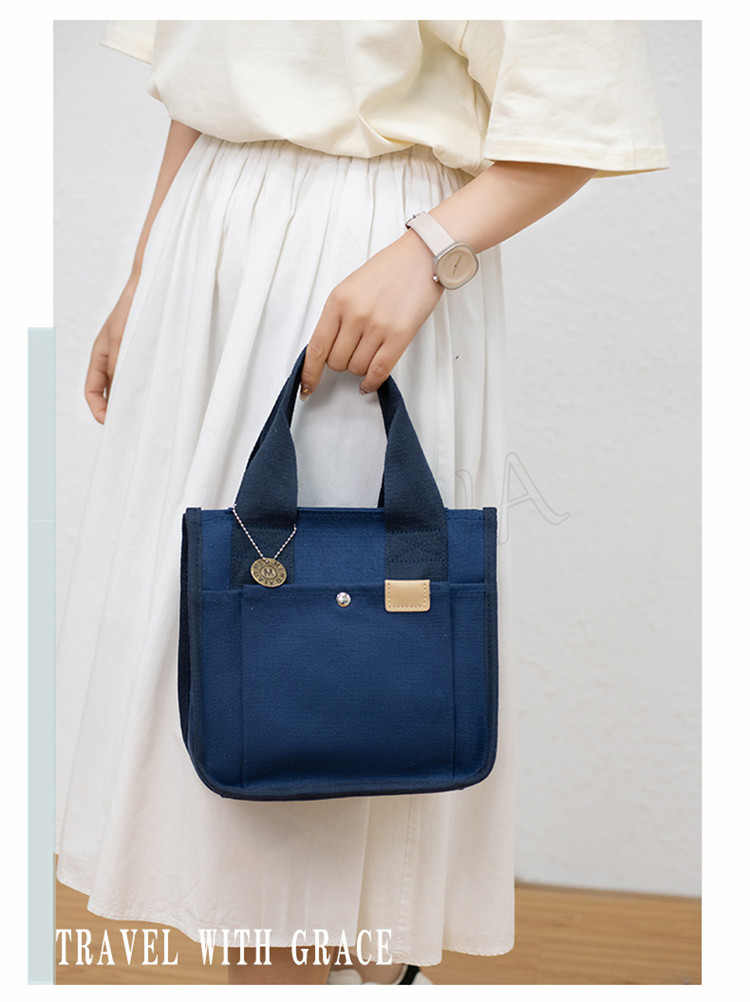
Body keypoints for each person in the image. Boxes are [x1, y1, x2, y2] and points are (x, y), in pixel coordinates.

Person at [55, 20, 669, 986]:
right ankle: (362, 975)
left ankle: (350, 970)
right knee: (211, 645)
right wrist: (144, 274)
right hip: (201, 248)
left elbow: (577, 114)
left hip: (365, 258)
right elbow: (203, 85)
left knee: (308, 671)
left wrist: (427, 250)